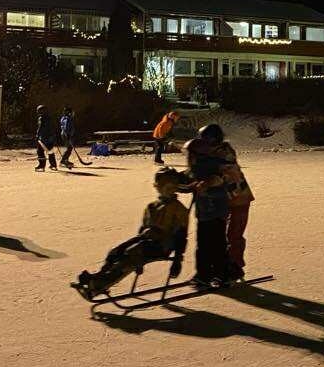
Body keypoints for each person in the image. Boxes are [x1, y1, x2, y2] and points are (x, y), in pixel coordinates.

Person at [76, 167, 190, 295]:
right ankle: (100, 275)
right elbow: (143, 228)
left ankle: (101, 283)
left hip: (162, 245)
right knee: (116, 251)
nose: (169, 191)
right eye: (165, 188)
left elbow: (181, 235)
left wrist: (178, 259)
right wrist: (141, 237)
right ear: (157, 187)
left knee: (130, 255)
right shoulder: (152, 206)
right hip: (145, 241)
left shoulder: (179, 209)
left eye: (172, 188)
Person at [183, 124, 231, 287]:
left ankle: (222, 274)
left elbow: (219, 178)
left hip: (216, 211)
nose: (189, 159)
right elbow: (188, 178)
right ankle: (203, 274)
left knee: (217, 243)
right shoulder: (197, 166)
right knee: (203, 244)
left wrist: (206, 183)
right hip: (204, 212)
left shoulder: (213, 162)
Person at [211, 124, 255, 280]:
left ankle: (235, 266)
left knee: (233, 234)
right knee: (220, 234)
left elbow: (223, 173)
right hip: (227, 200)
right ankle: (223, 265)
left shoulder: (224, 154)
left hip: (240, 199)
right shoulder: (213, 153)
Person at [35, 104, 59, 171]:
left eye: (38, 110)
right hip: (50, 138)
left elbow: (40, 128)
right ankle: (53, 165)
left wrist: (37, 135)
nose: (37, 111)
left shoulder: (41, 118)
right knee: (50, 151)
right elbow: (53, 127)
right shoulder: (50, 118)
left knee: (40, 152)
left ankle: (41, 166)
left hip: (43, 138)